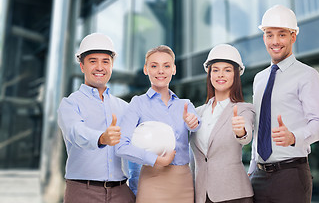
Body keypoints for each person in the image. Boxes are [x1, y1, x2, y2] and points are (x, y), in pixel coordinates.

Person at [248, 5, 319, 203]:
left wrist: (293, 137)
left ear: (293, 36)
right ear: (263, 38)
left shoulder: (307, 75)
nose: (275, 41)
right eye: (269, 34)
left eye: (281, 35)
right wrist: (251, 169)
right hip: (258, 175)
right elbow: (259, 128)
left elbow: (318, 125)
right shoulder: (259, 79)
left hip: (290, 174)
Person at [115, 45, 200, 203]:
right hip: (152, 180)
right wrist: (155, 159)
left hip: (183, 184)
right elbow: (120, 146)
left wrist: (192, 123)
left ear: (174, 69)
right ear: (146, 69)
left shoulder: (185, 105)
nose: (161, 71)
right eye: (154, 66)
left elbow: (195, 125)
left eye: (166, 66)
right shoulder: (138, 104)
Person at [58, 33, 135, 203]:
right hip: (83, 192)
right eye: (93, 61)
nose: (100, 67)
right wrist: (102, 138)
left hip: (121, 192)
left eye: (105, 61)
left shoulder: (124, 107)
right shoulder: (70, 104)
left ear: (112, 65)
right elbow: (76, 132)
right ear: (82, 66)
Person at [190, 44, 254, 203]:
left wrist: (241, 131)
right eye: (216, 70)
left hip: (234, 195)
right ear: (209, 74)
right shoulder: (196, 113)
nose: (221, 75)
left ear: (236, 75)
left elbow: (245, 136)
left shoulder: (243, 109)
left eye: (227, 70)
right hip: (201, 195)